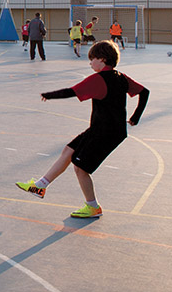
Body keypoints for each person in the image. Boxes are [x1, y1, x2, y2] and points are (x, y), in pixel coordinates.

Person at [16, 40, 149, 218]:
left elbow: (72, 91)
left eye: (92, 59)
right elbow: (144, 92)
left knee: (80, 168)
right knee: (68, 151)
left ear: (102, 59)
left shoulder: (99, 79)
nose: (90, 63)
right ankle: (40, 186)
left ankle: (93, 206)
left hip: (106, 133)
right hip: (103, 129)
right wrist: (135, 117)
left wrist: (48, 95)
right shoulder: (121, 77)